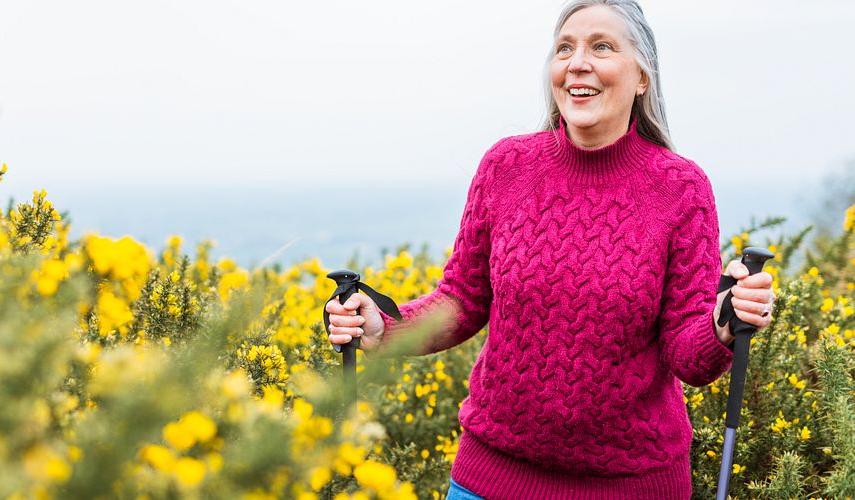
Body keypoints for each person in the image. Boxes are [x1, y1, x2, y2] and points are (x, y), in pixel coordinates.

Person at [325, 0, 776, 498]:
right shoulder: (506, 167)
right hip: (490, 479)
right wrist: (385, 327)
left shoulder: (680, 188)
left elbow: (689, 356)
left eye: (601, 47)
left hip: (634, 485)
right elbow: (462, 299)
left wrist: (726, 321)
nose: (577, 62)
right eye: (565, 48)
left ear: (643, 76)